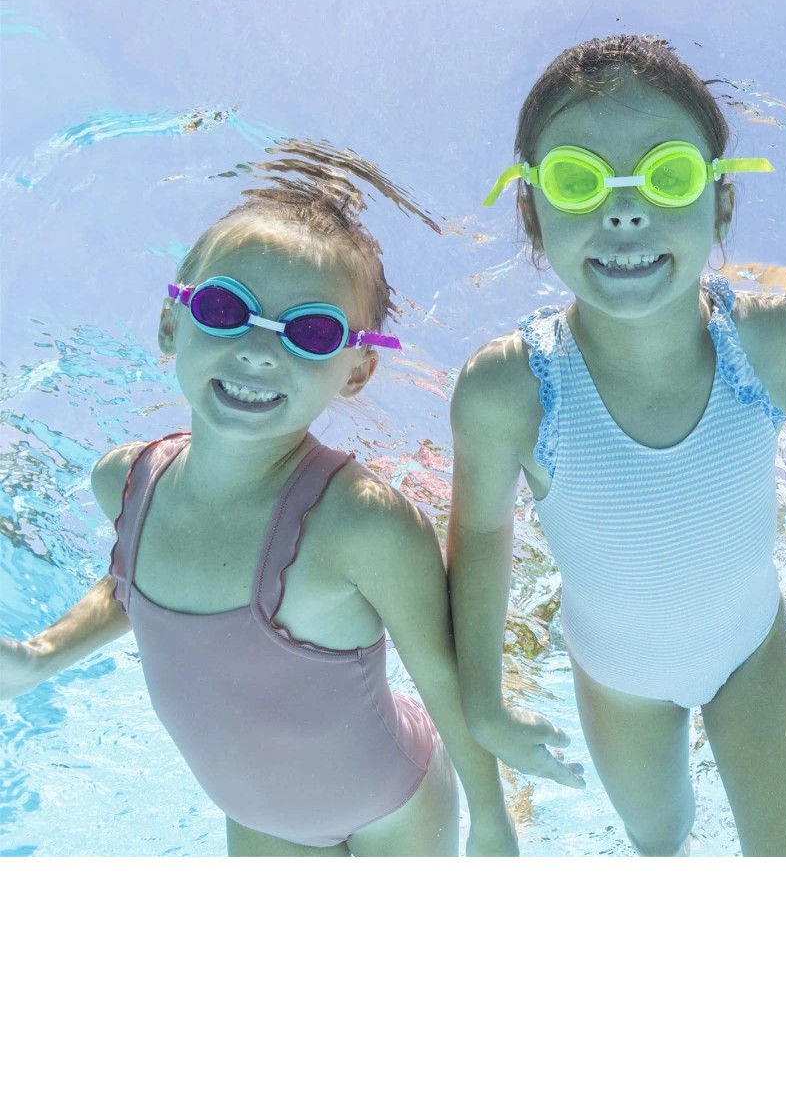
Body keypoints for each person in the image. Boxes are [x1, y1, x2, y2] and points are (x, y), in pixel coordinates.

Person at [449, 34, 786, 855]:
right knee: (660, 837)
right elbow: (483, 533)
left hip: (753, 655)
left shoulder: (774, 340)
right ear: (532, 213)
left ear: (723, 204)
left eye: (667, 175)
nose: (624, 210)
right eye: (578, 180)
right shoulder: (513, 391)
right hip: (619, 682)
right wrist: (484, 700)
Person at [0, 180, 515, 856]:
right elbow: (134, 584)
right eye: (223, 309)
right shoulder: (125, 483)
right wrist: (39, 658)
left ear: (356, 371)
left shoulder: (362, 525)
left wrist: (493, 820)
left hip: (394, 807)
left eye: (310, 332)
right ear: (169, 323)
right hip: (258, 817)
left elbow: (446, 679)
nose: (259, 350)